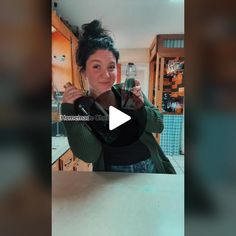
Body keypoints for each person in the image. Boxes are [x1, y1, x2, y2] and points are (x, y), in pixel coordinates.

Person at [61, 20, 175, 174]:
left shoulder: (126, 91)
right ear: (83, 72)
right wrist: (69, 112)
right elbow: (89, 155)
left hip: (150, 167)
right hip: (111, 176)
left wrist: (140, 108)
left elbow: (159, 126)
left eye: (111, 66)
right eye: (96, 66)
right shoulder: (83, 107)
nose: (106, 75)